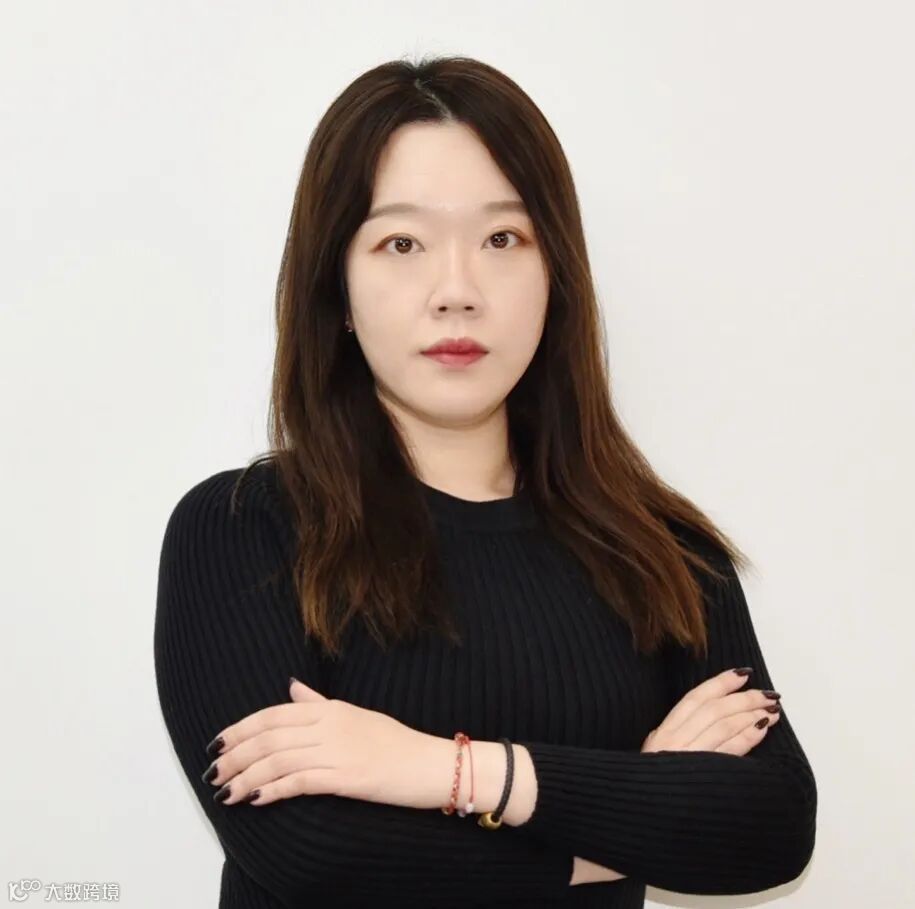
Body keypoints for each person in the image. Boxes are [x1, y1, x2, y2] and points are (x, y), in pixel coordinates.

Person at [153, 54, 817, 908]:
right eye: (401, 243)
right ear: (337, 287)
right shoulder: (242, 528)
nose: (456, 291)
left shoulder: (662, 551)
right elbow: (308, 850)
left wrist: (440, 768)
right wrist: (634, 806)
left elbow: (768, 827)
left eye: (502, 239)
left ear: (555, 275)